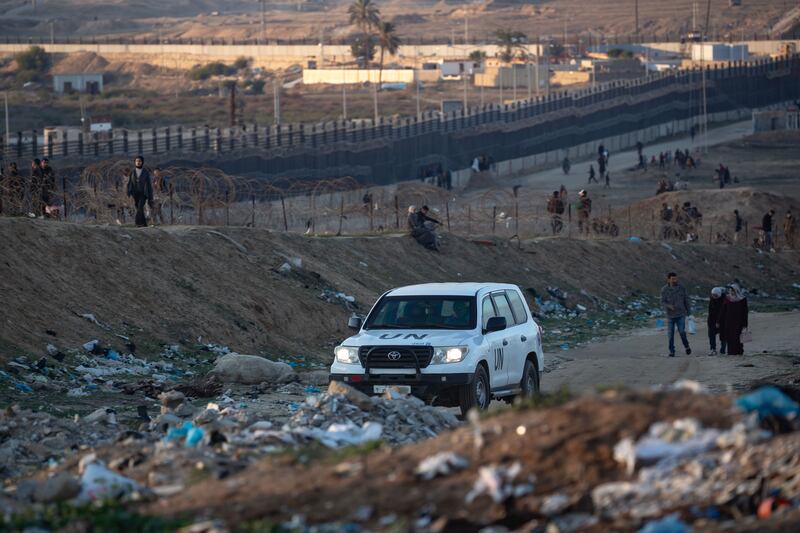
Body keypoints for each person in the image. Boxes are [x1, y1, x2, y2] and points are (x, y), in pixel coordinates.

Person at [660, 272, 692, 357]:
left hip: (681, 314)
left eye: (675, 278)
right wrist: (668, 305)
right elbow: (662, 301)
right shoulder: (664, 289)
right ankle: (672, 351)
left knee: (682, 332)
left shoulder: (681, 288)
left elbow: (686, 300)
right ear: (668, 280)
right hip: (670, 316)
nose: (675, 280)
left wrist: (689, 313)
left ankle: (686, 346)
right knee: (670, 335)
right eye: (673, 279)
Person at [718, 283, 749, 356]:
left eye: (733, 290)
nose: (731, 292)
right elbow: (723, 311)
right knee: (729, 337)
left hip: (739, 322)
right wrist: (719, 321)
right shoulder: (727, 299)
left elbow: (745, 312)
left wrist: (745, 324)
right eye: (730, 290)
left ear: (736, 290)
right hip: (729, 322)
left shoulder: (742, 299)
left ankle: (739, 352)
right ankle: (731, 352)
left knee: (738, 337)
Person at [127, 155, 153, 228]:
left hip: (143, 193)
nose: (138, 163)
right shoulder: (132, 172)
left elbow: (148, 184)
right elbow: (130, 183)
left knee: (140, 207)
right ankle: (144, 224)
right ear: (134, 162)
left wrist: (150, 195)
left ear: (142, 162)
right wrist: (129, 192)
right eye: (137, 161)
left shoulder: (145, 172)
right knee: (138, 208)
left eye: (140, 161)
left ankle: (137, 223)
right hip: (135, 193)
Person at [707, 287, 727, 355]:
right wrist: (709, 322)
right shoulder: (712, 299)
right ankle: (713, 349)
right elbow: (710, 311)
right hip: (712, 320)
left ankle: (723, 350)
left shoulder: (724, 300)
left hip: (722, 320)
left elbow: (723, 312)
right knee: (711, 335)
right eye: (713, 295)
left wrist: (718, 322)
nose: (714, 296)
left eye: (715, 295)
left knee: (723, 335)